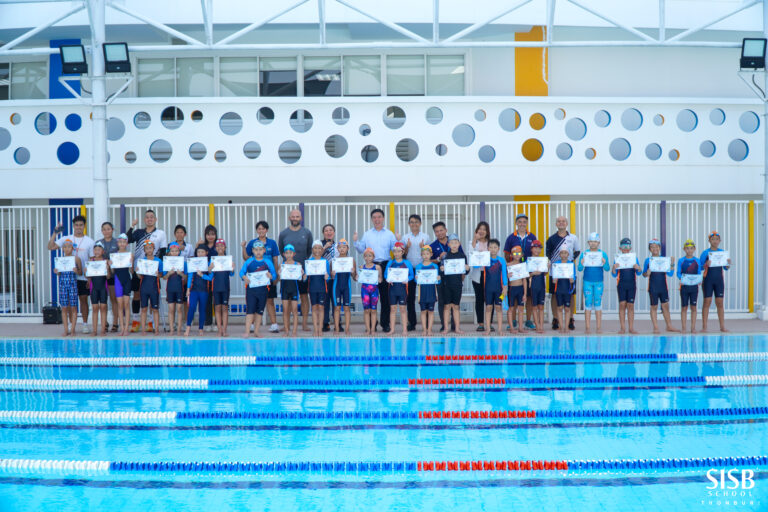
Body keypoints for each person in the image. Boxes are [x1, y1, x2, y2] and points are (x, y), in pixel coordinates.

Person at [48, 215, 94, 333]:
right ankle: (69, 325)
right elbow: (50, 247)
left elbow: (92, 260)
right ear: (73, 226)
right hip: (68, 278)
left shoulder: (90, 241)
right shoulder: (66, 238)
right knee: (68, 303)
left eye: (81, 225)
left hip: (82, 277)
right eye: (76, 225)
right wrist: (55, 233)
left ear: (84, 226)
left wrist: (89, 278)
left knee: (83, 300)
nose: (78, 227)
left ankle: (84, 324)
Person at [354, 208, 398, 332]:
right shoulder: (367, 234)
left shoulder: (389, 234)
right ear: (372, 219)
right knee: (370, 295)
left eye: (379, 217)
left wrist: (399, 241)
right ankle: (372, 324)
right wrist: (356, 241)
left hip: (384, 265)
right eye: (374, 217)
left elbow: (395, 249)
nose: (377, 219)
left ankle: (385, 323)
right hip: (370, 266)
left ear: (383, 218)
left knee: (385, 297)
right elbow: (361, 249)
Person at [126, 210, 167, 332]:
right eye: (147, 217)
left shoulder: (160, 233)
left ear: (155, 219)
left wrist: (157, 267)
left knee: (152, 295)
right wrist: (132, 226)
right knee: (137, 294)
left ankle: (150, 322)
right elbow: (127, 239)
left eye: (151, 217)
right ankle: (135, 321)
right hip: (139, 268)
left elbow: (163, 251)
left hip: (153, 270)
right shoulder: (138, 232)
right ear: (144, 220)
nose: (149, 219)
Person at [242, 221, 281, 333]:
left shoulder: (272, 243)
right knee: (253, 301)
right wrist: (243, 247)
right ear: (257, 230)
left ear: (267, 230)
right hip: (255, 278)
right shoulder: (252, 243)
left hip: (268, 276)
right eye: (259, 229)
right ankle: (252, 325)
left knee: (270, 300)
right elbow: (246, 258)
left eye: (263, 229)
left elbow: (275, 259)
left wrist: (275, 276)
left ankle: (274, 324)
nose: (261, 231)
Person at [278, 209, 313, 332]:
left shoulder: (307, 233)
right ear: (289, 218)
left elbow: (309, 251)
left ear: (301, 218)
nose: (295, 218)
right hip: (287, 272)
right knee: (286, 299)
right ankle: (286, 325)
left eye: (297, 216)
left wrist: (300, 266)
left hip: (301, 270)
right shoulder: (283, 234)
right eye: (293, 216)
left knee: (304, 297)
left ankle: (304, 324)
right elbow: (281, 250)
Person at [545, 216, 580, 331]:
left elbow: (577, 251)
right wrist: (555, 265)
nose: (561, 223)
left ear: (567, 223)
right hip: (555, 272)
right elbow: (548, 254)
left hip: (569, 272)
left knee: (571, 294)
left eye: (563, 221)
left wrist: (568, 262)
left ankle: (570, 318)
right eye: (559, 221)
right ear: (556, 224)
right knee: (554, 294)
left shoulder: (573, 237)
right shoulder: (551, 239)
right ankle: (556, 318)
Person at [504, 213, 538, 330]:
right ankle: (513, 321)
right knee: (513, 298)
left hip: (529, 270)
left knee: (528, 296)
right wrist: (511, 266)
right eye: (520, 222)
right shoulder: (511, 237)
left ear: (526, 223)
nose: (522, 224)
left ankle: (528, 320)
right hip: (516, 270)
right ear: (516, 223)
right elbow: (506, 253)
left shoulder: (532, 236)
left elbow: (536, 251)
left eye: (524, 222)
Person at [430, 222, 463, 332]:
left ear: (446, 230)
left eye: (441, 230)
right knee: (443, 302)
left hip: (455, 278)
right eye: (437, 231)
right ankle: (444, 325)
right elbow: (429, 261)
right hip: (441, 278)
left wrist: (462, 274)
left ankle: (455, 325)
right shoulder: (433, 246)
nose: (439, 233)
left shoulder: (454, 242)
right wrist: (439, 259)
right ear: (434, 233)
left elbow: (461, 260)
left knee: (455, 303)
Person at [240, 241, 277, 338]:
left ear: (264, 250)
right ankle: (247, 331)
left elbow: (274, 275)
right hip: (251, 291)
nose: (258, 252)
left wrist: (271, 276)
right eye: (256, 250)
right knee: (250, 311)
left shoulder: (268, 262)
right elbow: (241, 273)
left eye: (260, 250)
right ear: (252, 251)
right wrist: (245, 278)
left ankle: (256, 331)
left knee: (259, 311)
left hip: (263, 291)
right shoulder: (249, 261)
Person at [642, 238, 680, 334]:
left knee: (665, 306)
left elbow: (670, 274)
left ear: (659, 248)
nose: (654, 248)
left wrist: (672, 263)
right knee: (654, 306)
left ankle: (669, 326)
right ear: (649, 249)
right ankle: (655, 327)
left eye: (656, 246)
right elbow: (643, 274)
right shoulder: (648, 260)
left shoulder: (664, 260)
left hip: (663, 287)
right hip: (653, 287)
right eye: (652, 247)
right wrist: (647, 273)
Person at [576, 233, 610, 334]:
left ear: (598, 242)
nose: (593, 243)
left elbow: (607, 268)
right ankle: (587, 327)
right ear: (588, 243)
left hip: (599, 282)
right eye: (591, 241)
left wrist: (605, 263)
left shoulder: (603, 254)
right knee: (588, 304)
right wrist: (581, 264)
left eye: (595, 241)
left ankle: (598, 327)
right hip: (587, 282)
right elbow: (579, 268)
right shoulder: (584, 254)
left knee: (598, 304)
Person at [402, 214, 430, 331]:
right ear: (409, 224)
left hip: (422, 269)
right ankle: (411, 323)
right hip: (409, 270)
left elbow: (428, 253)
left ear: (420, 223)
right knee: (410, 297)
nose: (414, 224)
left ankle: (427, 323)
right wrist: (407, 247)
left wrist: (423, 247)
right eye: (412, 222)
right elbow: (402, 255)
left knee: (426, 296)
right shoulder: (405, 237)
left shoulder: (426, 236)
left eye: (416, 222)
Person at [700, 231, 731, 332]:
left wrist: (727, 264)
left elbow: (725, 268)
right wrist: (706, 264)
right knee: (707, 302)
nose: (715, 241)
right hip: (708, 280)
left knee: (720, 303)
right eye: (713, 239)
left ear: (720, 241)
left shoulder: (722, 253)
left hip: (719, 281)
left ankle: (722, 327)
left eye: (717, 239)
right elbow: (700, 267)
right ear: (709, 241)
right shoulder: (705, 253)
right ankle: (704, 327)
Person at [439, 234, 469, 334]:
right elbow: (441, 273)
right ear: (448, 244)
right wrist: (441, 270)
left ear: (459, 244)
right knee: (447, 306)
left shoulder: (462, 256)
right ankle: (446, 328)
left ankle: (457, 328)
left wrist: (467, 269)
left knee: (456, 306)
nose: (454, 244)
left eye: (456, 242)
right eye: (452, 243)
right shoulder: (445, 256)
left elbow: (465, 272)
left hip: (457, 285)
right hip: (447, 285)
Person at [611, 238, 642, 334]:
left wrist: (638, 267)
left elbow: (639, 272)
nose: (625, 249)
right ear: (620, 248)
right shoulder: (617, 258)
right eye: (623, 247)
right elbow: (614, 274)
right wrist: (613, 268)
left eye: (627, 247)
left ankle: (631, 328)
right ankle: (623, 328)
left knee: (630, 305)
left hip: (632, 284)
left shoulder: (634, 258)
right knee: (622, 305)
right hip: (621, 284)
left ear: (630, 248)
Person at [53, 238, 82, 336]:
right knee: (64, 308)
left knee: (74, 307)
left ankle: (73, 329)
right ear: (63, 249)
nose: (67, 249)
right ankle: (66, 329)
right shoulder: (60, 260)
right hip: (63, 285)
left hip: (73, 285)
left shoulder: (76, 259)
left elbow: (81, 272)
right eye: (65, 247)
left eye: (69, 247)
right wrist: (57, 272)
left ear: (72, 248)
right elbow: (59, 273)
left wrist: (76, 271)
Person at [94, 221, 120, 333]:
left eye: (108, 229)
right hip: (100, 276)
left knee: (114, 299)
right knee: (102, 301)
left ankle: (115, 323)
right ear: (102, 231)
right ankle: (104, 323)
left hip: (114, 274)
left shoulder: (117, 242)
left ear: (112, 230)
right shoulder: (98, 242)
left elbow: (121, 257)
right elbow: (95, 257)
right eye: (104, 229)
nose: (106, 231)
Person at [384, 242, 414, 336]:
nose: (396, 253)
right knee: (392, 309)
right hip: (392, 289)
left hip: (402, 289)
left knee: (403, 309)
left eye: (398, 251)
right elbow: (386, 274)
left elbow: (412, 275)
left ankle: (404, 329)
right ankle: (392, 329)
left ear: (403, 252)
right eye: (395, 251)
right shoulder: (390, 263)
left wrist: (407, 280)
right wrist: (388, 280)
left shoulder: (407, 263)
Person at [185, 245, 212, 336]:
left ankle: (201, 328)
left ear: (206, 253)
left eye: (202, 252)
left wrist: (202, 275)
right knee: (191, 308)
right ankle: (188, 327)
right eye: (198, 252)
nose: (200, 254)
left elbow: (210, 278)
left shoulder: (209, 264)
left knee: (202, 309)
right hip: (194, 290)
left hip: (204, 290)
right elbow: (190, 276)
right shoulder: (193, 262)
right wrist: (188, 289)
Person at [468, 221, 491, 332]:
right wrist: (474, 239)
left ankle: (489, 323)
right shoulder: (473, 243)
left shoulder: (491, 243)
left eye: (484, 229)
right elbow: (471, 254)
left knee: (489, 299)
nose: (482, 231)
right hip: (477, 275)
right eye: (480, 229)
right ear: (476, 231)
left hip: (490, 275)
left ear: (487, 232)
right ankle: (481, 323)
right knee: (479, 299)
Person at [331, 239, 356, 334]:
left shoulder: (351, 260)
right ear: (337, 249)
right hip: (336, 287)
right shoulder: (334, 261)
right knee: (336, 308)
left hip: (347, 287)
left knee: (346, 308)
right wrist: (332, 274)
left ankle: (347, 329)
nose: (342, 249)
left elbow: (354, 277)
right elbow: (331, 276)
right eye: (340, 247)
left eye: (344, 247)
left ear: (347, 248)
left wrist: (353, 272)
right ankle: (336, 328)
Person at [678, 239, 704, 333]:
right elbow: (678, 273)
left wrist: (699, 280)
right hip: (684, 287)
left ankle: (693, 328)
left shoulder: (697, 261)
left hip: (694, 287)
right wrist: (683, 279)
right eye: (687, 248)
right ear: (684, 249)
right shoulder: (681, 260)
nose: (689, 250)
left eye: (691, 248)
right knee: (684, 307)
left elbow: (698, 273)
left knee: (693, 307)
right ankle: (684, 328)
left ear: (694, 249)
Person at [305, 240, 330, 337]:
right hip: (312, 288)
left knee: (321, 308)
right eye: (315, 248)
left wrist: (327, 278)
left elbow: (327, 279)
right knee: (314, 308)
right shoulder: (309, 262)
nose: (317, 250)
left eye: (319, 248)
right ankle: (315, 329)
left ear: (322, 249)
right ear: (312, 249)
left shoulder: (325, 261)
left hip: (322, 288)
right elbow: (306, 278)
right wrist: (304, 277)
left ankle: (320, 329)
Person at [209, 239, 233, 337]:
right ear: (215, 248)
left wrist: (232, 268)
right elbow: (210, 275)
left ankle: (224, 330)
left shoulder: (228, 260)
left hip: (225, 287)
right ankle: (219, 330)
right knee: (218, 309)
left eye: (222, 246)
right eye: (218, 246)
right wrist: (209, 269)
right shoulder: (213, 260)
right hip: (216, 287)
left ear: (225, 247)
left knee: (225, 308)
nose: (220, 248)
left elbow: (231, 274)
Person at [138, 240, 163, 335]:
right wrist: (137, 272)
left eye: (150, 248)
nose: (149, 250)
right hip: (144, 288)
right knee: (144, 309)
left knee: (155, 309)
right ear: (144, 250)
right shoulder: (142, 261)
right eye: (147, 248)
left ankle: (156, 329)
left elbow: (162, 274)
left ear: (153, 249)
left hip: (154, 288)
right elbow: (140, 277)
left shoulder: (158, 261)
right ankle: (143, 329)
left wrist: (158, 274)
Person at [483, 239, 507, 336]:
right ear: (488, 248)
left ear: (498, 249)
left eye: (495, 247)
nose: (493, 249)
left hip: (499, 290)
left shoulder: (501, 260)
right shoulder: (485, 259)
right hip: (488, 289)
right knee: (488, 308)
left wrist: (505, 287)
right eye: (491, 247)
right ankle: (488, 329)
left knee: (498, 308)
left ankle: (500, 329)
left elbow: (504, 274)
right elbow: (476, 266)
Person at [111, 233, 133, 337]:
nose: (122, 243)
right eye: (120, 242)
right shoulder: (114, 255)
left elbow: (132, 271)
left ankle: (127, 328)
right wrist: (110, 265)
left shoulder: (130, 255)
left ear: (127, 243)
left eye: (124, 242)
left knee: (126, 304)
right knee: (120, 304)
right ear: (118, 243)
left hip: (127, 280)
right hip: (118, 280)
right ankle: (122, 327)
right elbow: (112, 271)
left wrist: (131, 263)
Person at [197, 225, 219, 332]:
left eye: (213, 234)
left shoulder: (218, 246)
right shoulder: (202, 246)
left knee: (217, 301)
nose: (210, 236)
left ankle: (217, 323)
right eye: (208, 234)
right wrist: (197, 246)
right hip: (204, 277)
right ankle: (208, 322)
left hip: (217, 277)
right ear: (205, 235)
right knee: (207, 300)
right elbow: (195, 259)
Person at [279, 244, 303, 337]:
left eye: (290, 253)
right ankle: (286, 330)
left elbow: (302, 279)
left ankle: (294, 331)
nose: (288, 255)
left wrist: (303, 275)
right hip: (284, 289)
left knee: (295, 311)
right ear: (284, 254)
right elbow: (279, 277)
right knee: (285, 311)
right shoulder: (282, 265)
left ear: (294, 254)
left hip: (294, 289)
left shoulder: (298, 265)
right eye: (287, 253)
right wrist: (279, 273)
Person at [415, 246, 439, 335]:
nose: (425, 256)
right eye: (424, 254)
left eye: (427, 254)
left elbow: (438, 281)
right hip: (422, 292)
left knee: (431, 311)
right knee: (423, 311)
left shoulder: (434, 266)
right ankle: (424, 329)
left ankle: (429, 329)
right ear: (421, 255)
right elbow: (416, 281)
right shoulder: (419, 266)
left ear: (431, 254)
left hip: (431, 291)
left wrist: (438, 278)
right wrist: (416, 278)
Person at [87, 241, 110, 336]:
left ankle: (103, 329)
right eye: (95, 249)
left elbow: (108, 277)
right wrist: (86, 272)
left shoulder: (105, 261)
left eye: (99, 249)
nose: (97, 251)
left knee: (103, 307)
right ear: (93, 251)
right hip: (94, 287)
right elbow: (88, 277)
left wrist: (107, 268)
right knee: (95, 308)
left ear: (103, 251)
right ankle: (94, 330)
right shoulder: (90, 262)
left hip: (103, 287)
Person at [163, 242, 186, 335]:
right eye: (172, 251)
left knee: (179, 308)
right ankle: (172, 329)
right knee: (171, 309)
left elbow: (186, 277)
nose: (174, 252)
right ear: (170, 252)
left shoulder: (183, 263)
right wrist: (169, 273)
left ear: (179, 252)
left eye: (176, 251)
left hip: (179, 288)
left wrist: (181, 274)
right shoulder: (167, 263)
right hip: (170, 289)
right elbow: (164, 277)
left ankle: (179, 329)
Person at [553, 248, 576, 335]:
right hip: (559, 288)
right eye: (562, 253)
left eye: (565, 253)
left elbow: (573, 278)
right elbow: (554, 280)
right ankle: (561, 327)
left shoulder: (571, 264)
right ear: (559, 254)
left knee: (567, 308)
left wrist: (571, 279)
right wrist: (554, 279)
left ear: (568, 254)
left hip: (567, 289)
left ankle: (566, 327)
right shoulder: (556, 264)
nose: (563, 254)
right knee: (559, 308)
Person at [360, 248, 382, 336]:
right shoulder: (362, 267)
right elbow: (358, 278)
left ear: (373, 257)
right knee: (366, 310)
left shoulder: (377, 267)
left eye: (370, 256)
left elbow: (380, 279)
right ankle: (368, 329)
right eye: (366, 256)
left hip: (374, 291)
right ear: (364, 257)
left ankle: (373, 329)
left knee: (373, 310)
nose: (368, 258)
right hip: (365, 291)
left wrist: (379, 279)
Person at [320, 224, 338, 332]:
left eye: (331, 230)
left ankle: (337, 323)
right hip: (324, 278)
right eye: (326, 230)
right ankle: (325, 323)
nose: (328, 232)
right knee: (325, 301)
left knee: (336, 301)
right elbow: (315, 256)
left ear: (334, 232)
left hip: (336, 278)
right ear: (323, 233)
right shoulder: (319, 244)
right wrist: (324, 247)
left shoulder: (339, 245)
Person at [506, 245, 528, 334]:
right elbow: (504, 278)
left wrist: (525, 294)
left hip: (520, 289)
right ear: (511, 255)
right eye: (515, 253)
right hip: (511, 289)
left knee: (521, 309)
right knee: (511, 308)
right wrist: (507, 276)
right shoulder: (508, 265)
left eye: (519, 253)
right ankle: (511, 327)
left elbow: (524, 281)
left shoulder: (523, 265)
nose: (517, 255)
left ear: (522, 254)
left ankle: (520, 327)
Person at [528, 240, 548, 334]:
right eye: (535, 247)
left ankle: (541, 326)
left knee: (541, 306)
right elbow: (526, 275)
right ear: (531, 249)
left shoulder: (543, 260)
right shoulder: (529, 260)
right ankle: (537, 326)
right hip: (533, 286)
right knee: (534, 307)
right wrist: (533, 273)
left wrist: (548, 267)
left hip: (541, 286)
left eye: (539, 248)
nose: (537, 250)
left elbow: (545, 273)